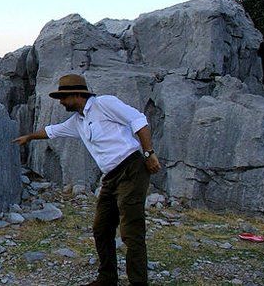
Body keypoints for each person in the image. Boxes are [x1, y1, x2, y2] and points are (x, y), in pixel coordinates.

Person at [14, 74, 161, 286]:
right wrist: (29, 137)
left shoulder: (104, 104)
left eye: (63, 98)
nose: (61, 102)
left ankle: (138, 282)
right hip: (110, 177)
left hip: (132, 169)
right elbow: (52, 131)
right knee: (101, 228)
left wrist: (149, 153)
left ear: (77, 95)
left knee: (131, 230)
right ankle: (107, 278)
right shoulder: (78, 121)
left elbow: (138, 120)